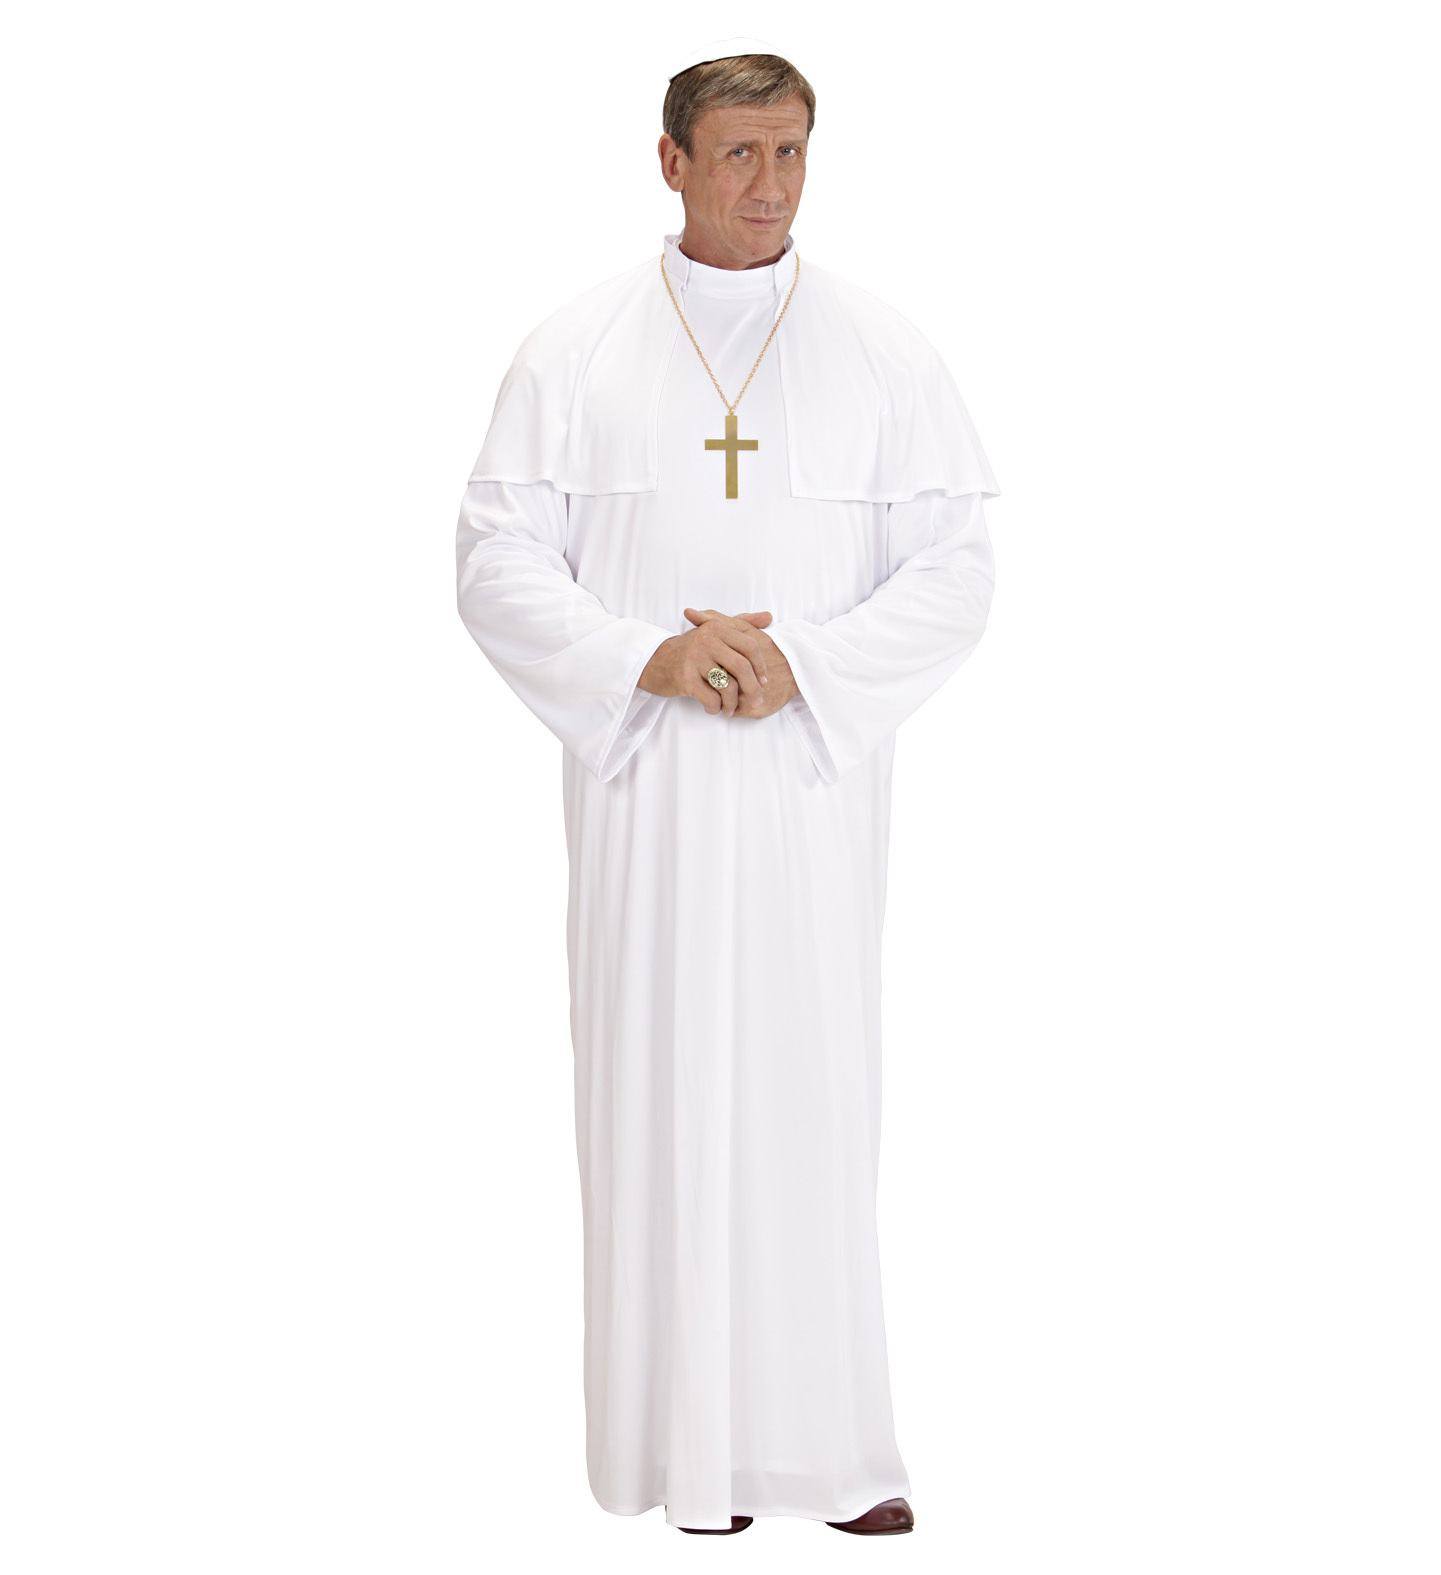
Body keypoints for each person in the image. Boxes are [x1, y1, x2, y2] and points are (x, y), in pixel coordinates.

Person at [454, 37, 998, 1537]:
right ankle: (683, 1462)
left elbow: (956, 573)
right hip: (648, 795)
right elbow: (495, 560)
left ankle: (832, 1456)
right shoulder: (573, 352)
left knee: (812, 1108)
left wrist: (798, 664)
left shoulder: (886, 353)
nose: (771, 182)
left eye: (793, 150)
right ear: (672, 162)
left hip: (809, 804)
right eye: (741, 152)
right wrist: (651, 657)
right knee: (660, 1107)